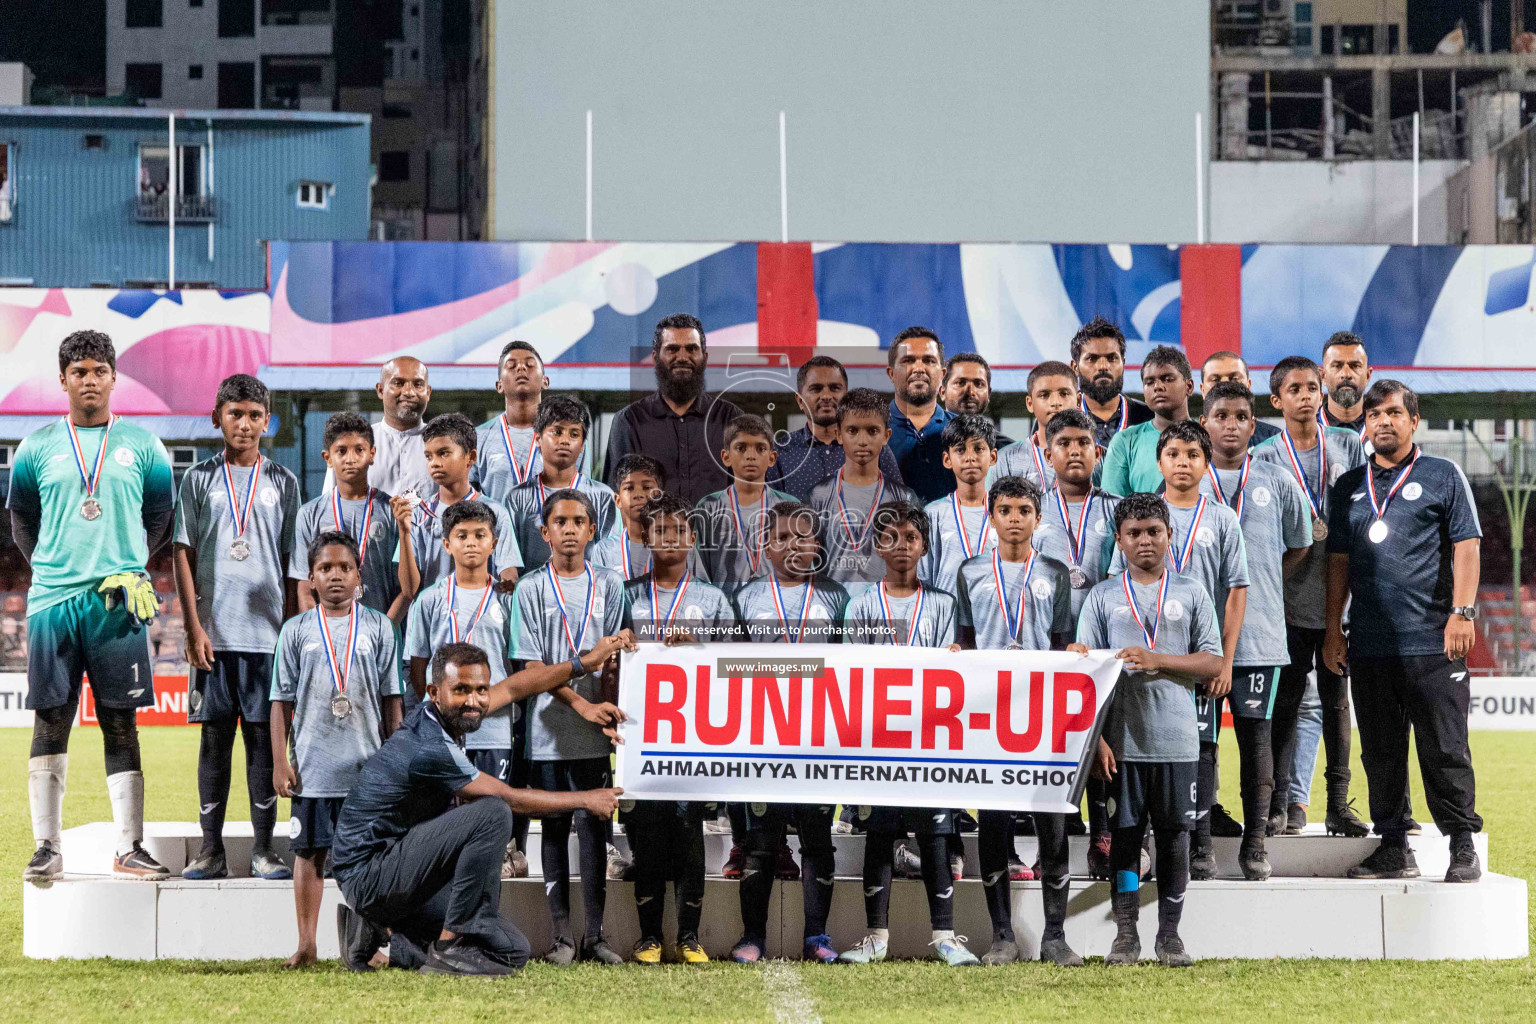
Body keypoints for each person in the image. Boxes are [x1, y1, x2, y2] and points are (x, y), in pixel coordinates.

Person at [329, 641, 627, 976]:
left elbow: (517, 686)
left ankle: (376, 936)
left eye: (481, 689)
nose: (474, 701)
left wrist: (584, 664)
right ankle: (449, 946)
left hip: (401, 871)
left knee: (513, 949)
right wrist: (586, 799)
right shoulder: (429, 743)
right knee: (493, 812)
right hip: (369, 874)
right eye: (461, 690)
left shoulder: (449, 714)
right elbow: (510, 798)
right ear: (434, 691)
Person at [15, 330, 176, 883]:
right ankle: (46, 847)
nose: (90, 380)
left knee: (121, 723)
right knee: (50, 721)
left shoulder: (143, 445)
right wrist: (53, 567)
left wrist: (129, 564)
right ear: (63, 379)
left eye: (99, 370)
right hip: (53, 603)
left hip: (115, 602)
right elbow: (21, 520)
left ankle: (128, 846)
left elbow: (160, 515)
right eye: (79, 371)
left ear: (113, 378)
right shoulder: (35, 446)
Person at [1325, 380, 1484, 884]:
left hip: (1434, 641)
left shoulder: (1443, 475)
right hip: (1369, 644)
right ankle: (1393, 845)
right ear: (1364, 424)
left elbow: (1466, 546)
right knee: (1380, 751)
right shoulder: (1348, 486)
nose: (1383, 422)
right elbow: (1338, 565)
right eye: (1373, 415)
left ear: (1413, 421)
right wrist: (1334, 628)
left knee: (1445, 747)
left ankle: (1462, 845)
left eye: (1394, 413)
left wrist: (1462, 612)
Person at [1078, 493, 1224, 968]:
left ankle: (1170, 935)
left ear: (1169, 535)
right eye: (1134, 533)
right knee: (1124, 839)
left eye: (1153, 531)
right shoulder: (1102, 596)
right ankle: (1125, 934)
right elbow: (1085, 674)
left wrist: (1156, 658)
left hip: (1178, 741)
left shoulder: (1192, 592)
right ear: (1119, 541)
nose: (1145, 540)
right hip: (1121, 744)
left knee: (1175, 837)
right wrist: (1096, 738)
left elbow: (1213, 661)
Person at [172, 373, 301, 882]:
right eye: (235, 414)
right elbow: (182, 552)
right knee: (213, 744)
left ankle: (266, 850)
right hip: (214, 639)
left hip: (268, 641)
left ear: (267, 422)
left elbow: (294, 564)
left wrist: (292, 634)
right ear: (216, 419)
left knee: (262, 746)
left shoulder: (284, 483)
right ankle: (210, 851)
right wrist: (191, 626)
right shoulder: (198, 479)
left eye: (254, 415)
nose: (245, 424)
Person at [838, 502, 976, 967]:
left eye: (910, 538)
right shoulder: (860, 605)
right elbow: (851, 673)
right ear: (877, 546)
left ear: (924, 545)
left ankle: (945, 935)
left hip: (931, 739)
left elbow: (947, 676)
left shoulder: (942, 604)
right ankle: (875, 936)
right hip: (878, 740)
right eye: (890, 538)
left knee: (936, 832)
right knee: (881, 832)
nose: (900, 546)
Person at [1113, 421, 1249, 882]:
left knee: (1202, 749)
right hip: (1143, 671)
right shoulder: (1139, 516)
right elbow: (1117, 588)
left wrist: (1223, 659)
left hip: (1199, 655)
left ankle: (1202, 845)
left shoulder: (1222, 518)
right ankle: (1135, 876)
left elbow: (1236, 589)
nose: (1183, 462)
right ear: (1159, 462)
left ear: (1206, 463)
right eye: (1173, 454)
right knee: (1138, 783)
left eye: (1193, 454)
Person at [954, 476, 1079, 967]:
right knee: (994, 822)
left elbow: (1063, 643)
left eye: (1024, 510)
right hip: (988, 717)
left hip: (1041, 716)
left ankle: (1055, 937)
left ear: (1038, 517)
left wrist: (1076, 658)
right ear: (991, 515)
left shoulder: (1055, 572)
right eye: (1004, 510)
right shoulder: (969, 572)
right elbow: (963, 639)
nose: (1014, 519)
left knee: (1053, 821)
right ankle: (1001, 936)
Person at [270, 532, 404, 968]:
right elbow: (280, 702)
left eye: (344, 568)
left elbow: (392, 701)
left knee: (371, 858)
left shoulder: (380, 626)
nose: (334, 576)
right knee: (309, 854)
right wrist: (280, 761)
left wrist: (395, 760)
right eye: (325, 568)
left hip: (366, 770)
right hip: (312, 769)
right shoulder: (296, 630)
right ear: (310, 577)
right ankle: (306, 945)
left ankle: (374, 946)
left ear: (358, 575)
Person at [1198, 383, 1312, 879]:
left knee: (1256, 741)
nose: (1230, 423)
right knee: (1200, 745)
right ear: (1205, 422)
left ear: (1253, 423)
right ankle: (1199, 846)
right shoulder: (1184, 481)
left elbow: (1299, 544)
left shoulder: (1278, 480)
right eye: (1220, 414)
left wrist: (1260, 582)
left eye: (1241, 416)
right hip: (1197, 644)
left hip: (1259, 636)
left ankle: (1256, 843)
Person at [1252, 355, 1369, 837]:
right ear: (1277, 401)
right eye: (1293, 389)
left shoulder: (1347, 445)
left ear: (1321, 392)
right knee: (1288, 703)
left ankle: (1338, 803)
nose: (1305, 395)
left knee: (1337, 703)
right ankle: (1280, 802)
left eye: (1310, 387)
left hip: (1340, 606)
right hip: (1287, 605)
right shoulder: (1264, 459)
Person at [510, 488, 628, 965]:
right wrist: (582, 704)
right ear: (545, 532)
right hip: (549, 731)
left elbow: (619, 657)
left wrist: (613, 703)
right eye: (561, 522)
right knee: (555, 829)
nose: (571, 529)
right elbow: (532, 667)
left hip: (598, 732)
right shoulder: (531, 589)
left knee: (595, 828)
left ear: (593, 530)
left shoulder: (611, 584)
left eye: (580, 521)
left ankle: (595, 936)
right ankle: (561, 935)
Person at [619, 493, 737, 964]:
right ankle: (649, 936)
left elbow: (736, 666)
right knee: (646, 836)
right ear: (645, 537)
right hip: (641, 735)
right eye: (659, 530)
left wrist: (700, 645)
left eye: (678, 530)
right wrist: (621, 642)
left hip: (694, 737)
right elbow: (608, 658)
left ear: (692, 538)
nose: (669, 537)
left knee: (690, 835)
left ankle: (689, 936)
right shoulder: (627, 594)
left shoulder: (713, 599)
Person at [729, 501, 848, 963]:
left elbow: (853, 668)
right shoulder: (745, 597)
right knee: (760, 843)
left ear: (816, 545)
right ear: (766, 545)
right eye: (782, 537)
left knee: (816, 839)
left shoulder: (838, 596)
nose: (793, 545)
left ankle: (817, 937)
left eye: (803, 537)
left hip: (819, 736)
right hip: (761, 736)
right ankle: (751, 936)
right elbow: (725, 668)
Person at [404, 500, 524, 871]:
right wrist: (438, 707)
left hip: (493, 728)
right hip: (443, 730)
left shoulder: (509, 599)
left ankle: (501, 857)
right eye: (461, 536)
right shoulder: (429, 600)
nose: (471, 543)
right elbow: (419, 664)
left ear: (494, 543)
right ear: (446, 544)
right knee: (444, 809)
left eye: (480, 535)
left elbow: (517, 663)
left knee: (491, 805)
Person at [1033, 408, 1120, 870]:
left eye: (1083, 443)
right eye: (1063, 443)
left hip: (1101, 643)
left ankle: (1103, 834)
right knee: (1055, 739)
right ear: (1048, 453)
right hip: (1049, 642)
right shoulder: (1032, 508)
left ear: (1097, 451)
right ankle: (1057, 830)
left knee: (1101, 736)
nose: (1074, 451)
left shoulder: (1114, 507)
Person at [604, 313, 744, 505]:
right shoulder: (629, 421)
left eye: (691, 349)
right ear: (655, 357)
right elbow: (617, 498)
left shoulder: (731, 420)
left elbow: (750, 494)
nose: (683, 357)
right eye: (672, 349)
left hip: (718, 535)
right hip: (649, 535)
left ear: (704, 356)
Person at [396, 413, 523, 600]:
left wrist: (499, 605)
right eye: (429, 456)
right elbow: (409, 591)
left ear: (470, 457)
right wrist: (404, 533)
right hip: (436, 621)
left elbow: (508, 575)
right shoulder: (417, 514)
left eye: (444, 453)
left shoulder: (495, 513)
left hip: (480, 618)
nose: (434, 463)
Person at [291, 412, 405, 620]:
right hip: (328, 631)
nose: (350, 459)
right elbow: (304, 585)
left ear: (372, 454)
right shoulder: (309, 514)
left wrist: (387, 628)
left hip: (382, 626)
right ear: (328, 458)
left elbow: (405, 586)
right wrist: (315, 629)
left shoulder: (391, 510)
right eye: (341, 451)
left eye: (359, 450)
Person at [810, 389, 918, 592]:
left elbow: (914, 563)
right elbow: (809, 563)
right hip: (833, 611)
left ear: (886, 436)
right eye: (852, 431)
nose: (862, 440)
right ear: (838, 435)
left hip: (885, 610)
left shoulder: (904, 497)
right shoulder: (818, 496)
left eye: (872, 431)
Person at [505, 395, 619, 572]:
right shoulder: (517, 497)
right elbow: (510, 561)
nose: (565, 440)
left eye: (574, 434)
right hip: (535, 595)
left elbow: (611, 557)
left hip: (587, 594)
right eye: (557, 432)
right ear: (538, 439)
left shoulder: (602, 496)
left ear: (582, 445)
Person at [767, 355, 904, 500]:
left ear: (846, 396)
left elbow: (898, 501)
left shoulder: (875, 447)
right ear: (800, 400)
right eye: (816, 389)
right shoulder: (780, 451)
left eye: (834, 388)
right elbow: (769, 508)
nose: (826, 395)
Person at [475, 340, 590, 504]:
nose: (521, 368)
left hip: (553, 528)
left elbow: (584, 495)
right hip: (497, 529)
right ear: (499, 385)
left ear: (545, 381)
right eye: (511, 366)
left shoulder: (570, 435)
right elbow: (469, 500)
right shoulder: (478, 437)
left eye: (529, 365)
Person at [694, 415, 794, 595]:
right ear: (726, 456)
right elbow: (698, 570)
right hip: (724, 613)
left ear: (772, 458)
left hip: (776, 612)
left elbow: (801, 566)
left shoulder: (789, 506)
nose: (750, 456)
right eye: (740, 448)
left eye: (760, 448)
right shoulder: (708, 507)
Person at [324, 357, 433, 499]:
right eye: (398, 383)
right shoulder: (356, 443)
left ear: (428, 392)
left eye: (418, 384)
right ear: (380, 390)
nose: (408, 392)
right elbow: (329, 506)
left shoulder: (444, 443)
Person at [594, 453, 709, 582]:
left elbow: (703, 592)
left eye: (647, 487)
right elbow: (598, 594)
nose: (638, 494)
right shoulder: (604, 549)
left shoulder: (679, 544)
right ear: (618, 500)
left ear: (661, 495)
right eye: (629, 488)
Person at [1100, 345, 1196, 496]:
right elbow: (1111, 507)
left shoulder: (1208, 437)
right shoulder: (1124, 441)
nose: (1157, 387)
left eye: (1167, 379)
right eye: (1149, 382)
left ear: (1189, 386)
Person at [919, 414, 999, 592]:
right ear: (947, 459)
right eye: (960, 450)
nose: (970, 457)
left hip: (993, 614)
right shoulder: (933, 514)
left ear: (993, 457)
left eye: (978, 449)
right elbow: (923, 576)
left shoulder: (1004, 512)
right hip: (948, 615)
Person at [885, 326, 954, 503]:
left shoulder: (963, 431)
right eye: (908, 360)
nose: (918, 368)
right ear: (891, 373)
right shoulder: (870, 430)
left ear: (942, 373)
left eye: (929, 360)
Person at [1069, 316, 1154, 451]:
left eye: (1111, 358)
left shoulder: (1150, 418)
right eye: (1092, 358)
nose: (1103, 366)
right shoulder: (1060, 420)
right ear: (1075, 367)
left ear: (1123, 363)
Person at [991, 361, 1079, 488]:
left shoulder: (1096, 457)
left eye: (1064, 394)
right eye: (1044, 395)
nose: (1055, 402)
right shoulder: (1005, 458)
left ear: (1078, 400)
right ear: (1030, 404)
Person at [1200, 351, 1280, 445]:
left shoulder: (1274, 440)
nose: (1226, 385)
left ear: (1248, 385)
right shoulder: (1187, 442)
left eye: (1234, 379)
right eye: (1215, 380)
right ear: (1202, 389)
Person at [939, 353, 1015, 447]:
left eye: (978, 384)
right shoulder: (924, 445)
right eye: (960, 383)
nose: (970, 392)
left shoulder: (1009, 451)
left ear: (988, 394)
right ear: (942, 392)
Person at [1319, 331, 1372, 437]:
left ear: (1367, 376)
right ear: (1323, 376)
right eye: (1337, 366)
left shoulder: (1383, 429)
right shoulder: (1305, 430)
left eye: (1355, 366)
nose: (1346, 374)